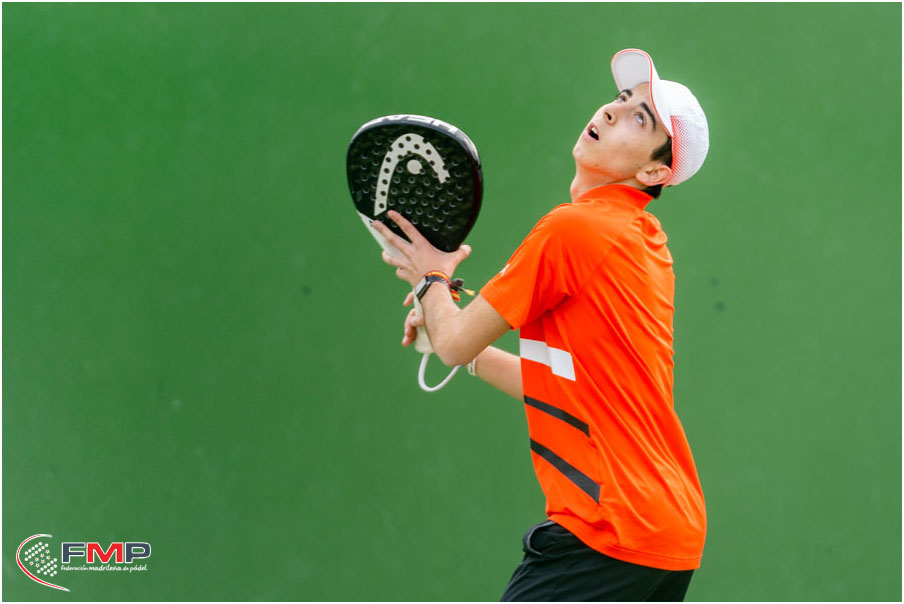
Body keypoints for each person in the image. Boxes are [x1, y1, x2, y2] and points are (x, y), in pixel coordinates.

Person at [372, 48, 709, 602]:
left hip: (611, 533)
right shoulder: (641, 241)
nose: (610, 111)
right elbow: (568, 388)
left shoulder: (575, 229)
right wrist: (460, 337)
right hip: (664, 532)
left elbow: (453, 343)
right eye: (621, 99)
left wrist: (431, 275)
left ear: (654, 171)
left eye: (639, 118)